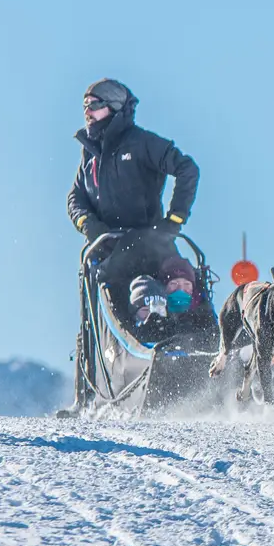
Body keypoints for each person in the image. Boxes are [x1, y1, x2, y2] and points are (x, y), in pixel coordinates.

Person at [61, 78, 200, 413]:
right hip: (110, 250)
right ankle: (85, 398)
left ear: (115, 107)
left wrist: (175, 220)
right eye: (85, 106)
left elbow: (187, 168)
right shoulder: (89, 155)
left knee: (184, 289)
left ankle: (200, 355)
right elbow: (75, 200)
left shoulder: (140, 143)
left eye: (94, 104)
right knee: (95, 317)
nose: (88, 112)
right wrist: (92, 229)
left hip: (152, 244)